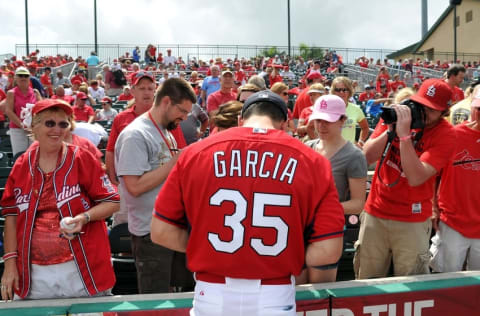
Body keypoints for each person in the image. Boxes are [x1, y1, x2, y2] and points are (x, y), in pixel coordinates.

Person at [150, 90, 345, 316]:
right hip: (274, 296)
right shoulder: (313, 162)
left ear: (240, 120)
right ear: (283, 125)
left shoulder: (195, 153)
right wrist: (284, 250)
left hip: (211, 295)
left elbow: (160, 231)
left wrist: (206, 245)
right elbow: (328, 251)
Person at [0, 99, 119, 300]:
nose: (57, 129)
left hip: (80, 267)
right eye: (49, 123)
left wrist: (84, 217)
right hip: (34, 271)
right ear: (33, 127)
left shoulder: (82, 157)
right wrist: (10, 264)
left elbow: (113, 201)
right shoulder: (21, 165)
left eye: (63, 124)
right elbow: (11, 216)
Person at [355, 79, 457, 279]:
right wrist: (391, 130)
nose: (424, 112)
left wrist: (403, 137)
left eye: (432, 109)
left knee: (410, 284)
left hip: (412, 219)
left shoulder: (446, 135)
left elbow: (416, 177)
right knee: (367, 280)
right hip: (376, 211)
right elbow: (366, 157)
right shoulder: (402, 117)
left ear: (444, 111)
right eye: (422, 105)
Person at [115, 78, 196, 294]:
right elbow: (134, 187)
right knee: (156, 302)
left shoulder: (165, 129)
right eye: (182, 111)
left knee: (179, 299)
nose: (185, 118)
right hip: (149, 233)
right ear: (167, 102)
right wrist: (174, 163)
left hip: (169, 228)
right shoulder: (136, 134)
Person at [298, 94, 367, 284]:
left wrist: (323, 209)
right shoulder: (308, 147)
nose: (321, 126)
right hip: (300, 228)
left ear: (343, 121)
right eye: (318, 120)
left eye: (328, 121)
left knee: (319, 295)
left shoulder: (354, 156)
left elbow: (358, 203)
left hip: (328, 231)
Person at [430, 88, 480, 273]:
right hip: (452, 221)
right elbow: (433, 176)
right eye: (479, 108)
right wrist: (433, 208)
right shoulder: (453, 135)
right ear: (472, 107)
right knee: (448, 280)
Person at [5, 66, 42, 155]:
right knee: (19, 156)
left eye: (26, 76)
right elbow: (9, 111)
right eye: (20, 75)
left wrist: (34, 126)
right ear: (16, 78)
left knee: (35, 155)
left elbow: (42, 108)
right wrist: (23, 125)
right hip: (17, 129)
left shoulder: (35, 92)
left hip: (33, 129)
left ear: (29, 78)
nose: (23, 78)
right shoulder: (11, 93)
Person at [330, 76, 370, 147]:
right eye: (337, 90)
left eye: (345, 89)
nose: (341, 92)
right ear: (333, 91)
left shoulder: (356, 109)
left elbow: (365, 128)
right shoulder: (327, 108)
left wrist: (360, 142)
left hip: (349, 152)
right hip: (330, 151)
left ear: (349, 91)